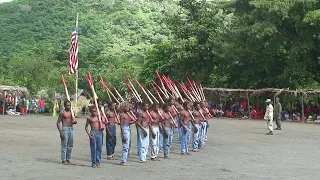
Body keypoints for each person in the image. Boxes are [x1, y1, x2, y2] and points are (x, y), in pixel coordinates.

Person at [56, 100, 76, 165]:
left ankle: (68, 159)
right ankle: (63, 159)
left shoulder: (72, 112)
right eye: (68, 105)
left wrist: (74, 122)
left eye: (70, 105)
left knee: (70, 145)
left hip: (71, 129)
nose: (69, 106)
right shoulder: (62, 113)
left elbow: (73, 120)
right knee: (64, 145)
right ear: (64, 106)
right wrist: (61, 132)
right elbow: (58, 122)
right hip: (65, 129)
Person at [119, 102, 136, 166]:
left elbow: (128, 122)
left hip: (128, 128)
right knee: (125, 146)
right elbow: (121, 125)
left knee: (128, 145)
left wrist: (132, 122)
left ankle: (124, 159)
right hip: (125, 129)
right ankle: (123, 160)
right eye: (127, 107)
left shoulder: (128, 114)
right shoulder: (122, 115)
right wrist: (123, 134)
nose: (128, 108)